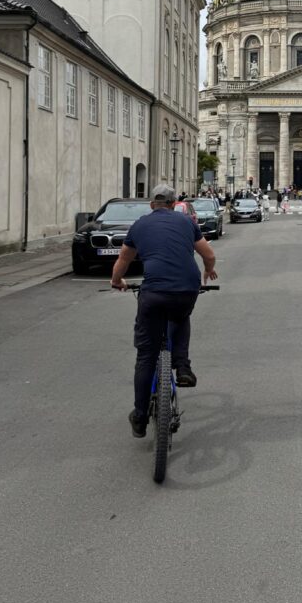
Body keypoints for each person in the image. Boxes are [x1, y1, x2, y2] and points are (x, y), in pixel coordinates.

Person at [111, 183, 217, 439]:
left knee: (146, 355)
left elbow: (123, 260)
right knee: (181, 316)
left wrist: (116, 282)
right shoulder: (185, 222)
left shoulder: (139, 225)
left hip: (154, 292)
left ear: (151, 205)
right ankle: (182, 368)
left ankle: (139, 416)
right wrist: (207, 270)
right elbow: (208, 254)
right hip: (186, 288)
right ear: (173, 204)